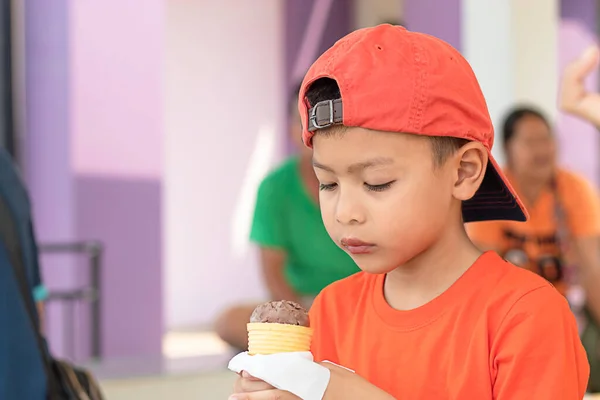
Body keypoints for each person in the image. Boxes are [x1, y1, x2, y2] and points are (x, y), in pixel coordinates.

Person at [230, 24, 588, 400]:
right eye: (328, 184)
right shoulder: (331, 311)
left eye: (377, 182)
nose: (346, 212)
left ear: (464, 171)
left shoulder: (525, 316)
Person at [215, 85, 360, 351]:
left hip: (362, 303)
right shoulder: (276, 187)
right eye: (307, 121)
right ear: (292, 129)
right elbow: (273, 272)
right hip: (304, 305)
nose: (317, 132)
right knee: (228, 322)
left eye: (329, 120)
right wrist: (302, 322)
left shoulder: (369, 179)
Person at [466, 106, 600, 324]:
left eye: (546, 139)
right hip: (510, 310)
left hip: (565, 308)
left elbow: (591, 270)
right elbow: (482, 271)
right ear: (508, 148)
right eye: (530, 142)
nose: (542, 150)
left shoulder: (576, 190)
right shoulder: (492, 192)